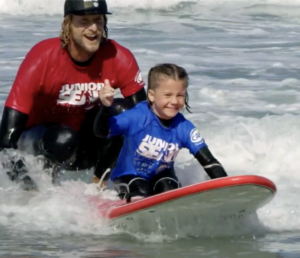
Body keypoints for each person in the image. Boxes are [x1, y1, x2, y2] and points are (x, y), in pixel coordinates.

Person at [0, 0, 147, 190]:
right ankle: (48, 191)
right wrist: (26, 190)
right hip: (38, 146)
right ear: (68, 24)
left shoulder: (118, 57)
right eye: (84, 21)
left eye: (98, 20)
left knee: (122, 112)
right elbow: (6, 140)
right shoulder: (42, 58)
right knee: (63, 137)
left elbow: (147, 124)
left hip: (83, 149)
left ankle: (98, 187)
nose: (93, 28)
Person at [93, 63, 228, 203]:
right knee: (141, 189)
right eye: (168, 95)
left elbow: (209, 162)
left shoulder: (184, 127)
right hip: (129, 176)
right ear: (151, 95)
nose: (175, 101)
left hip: (161, 176)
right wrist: (105, 106)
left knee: (170, 189)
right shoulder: (138, 117)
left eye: (180, 95)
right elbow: (101, 132)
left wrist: (228, 189)